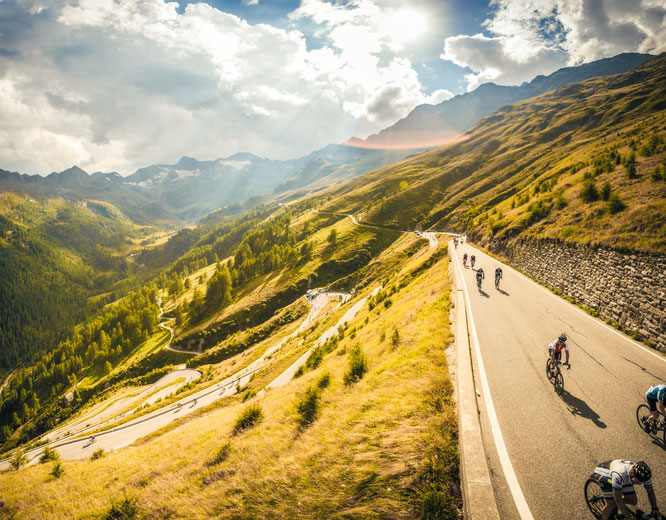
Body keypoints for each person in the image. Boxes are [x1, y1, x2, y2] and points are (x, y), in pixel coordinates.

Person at [590, 460, 658, 520]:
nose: (640, 484)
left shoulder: (644, 475)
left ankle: (619, 508)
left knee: (633, 501)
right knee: (611, 505)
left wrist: (654, 508)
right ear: (632, 473)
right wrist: (627, 515)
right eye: (638, 481)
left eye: (642, 482)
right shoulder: (619, 475)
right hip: (605, 475)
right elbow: (618, 498)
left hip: (623, 477)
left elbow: (650, 491)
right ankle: (603, 517)